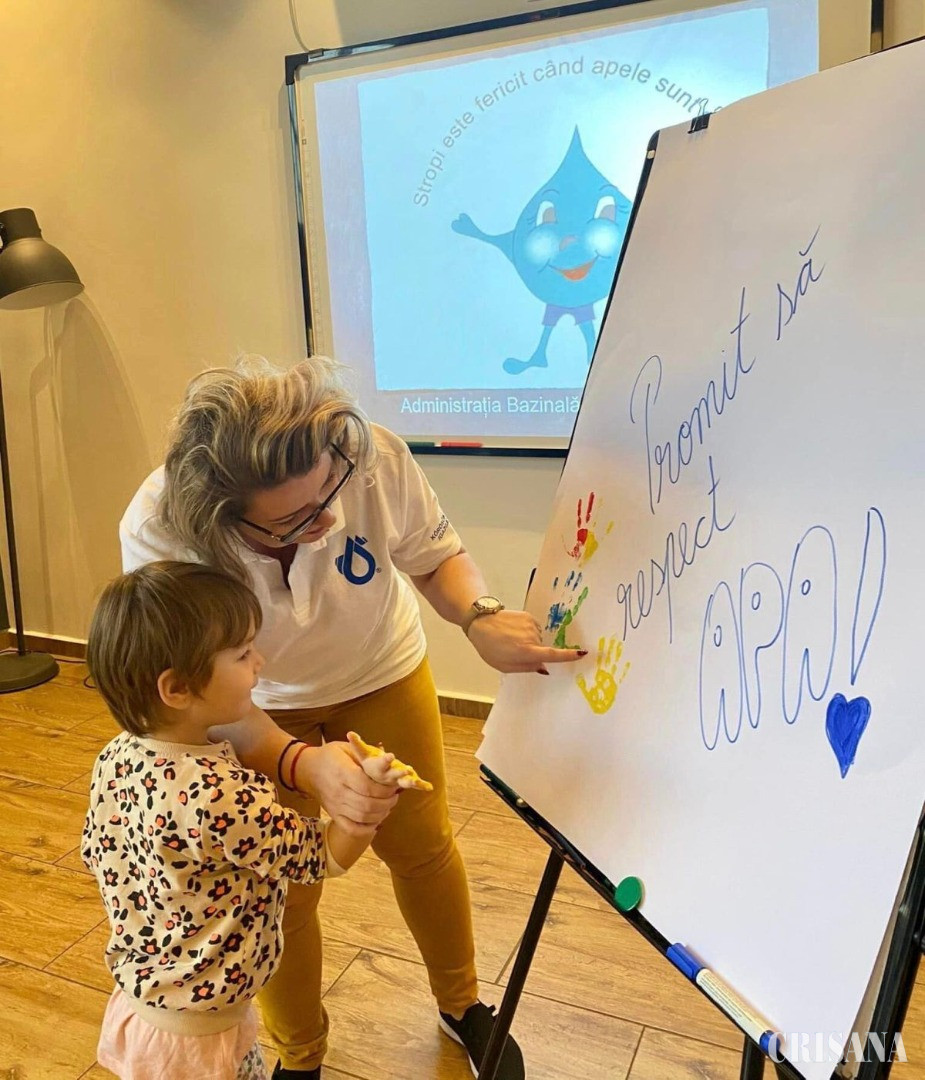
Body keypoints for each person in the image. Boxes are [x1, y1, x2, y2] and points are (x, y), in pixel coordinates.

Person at [120, 356, 585, 1079]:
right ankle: (300, 1053)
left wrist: (479, 615)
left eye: (330, 492)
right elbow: (203, 696)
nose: (330, 520)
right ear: (220, 519)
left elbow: (434, 555)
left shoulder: (369, 456)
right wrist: (299, 762)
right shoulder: (161, 530)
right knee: (277, 889)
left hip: (380, 670)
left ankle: (461, 1003)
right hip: (251, 705)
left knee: (423, 848)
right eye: (293, 520)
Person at [82, 561, 425, 1080]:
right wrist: (365, 806)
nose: (260, 661)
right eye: (243, 654)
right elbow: (321, 857)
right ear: (177, 689)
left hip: (144, 1007)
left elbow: (96, 852)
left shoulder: (114, 757)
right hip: (201, 1038)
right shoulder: (220, 795)